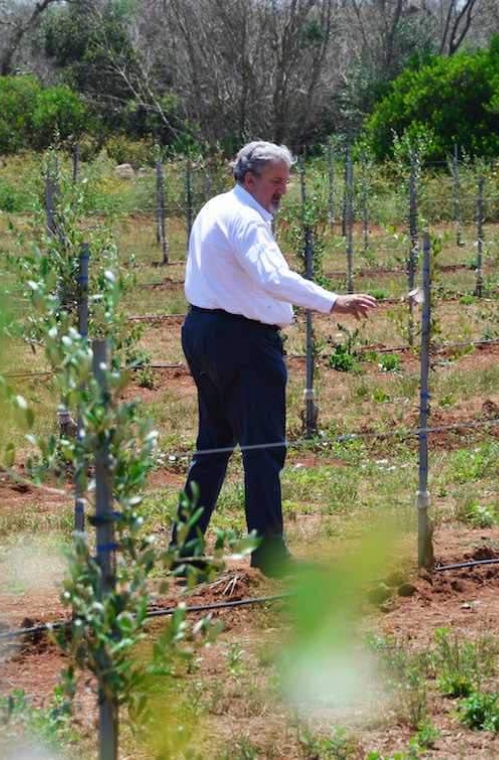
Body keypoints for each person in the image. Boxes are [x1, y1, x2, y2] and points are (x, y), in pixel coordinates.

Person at [172, 141, 377, 577]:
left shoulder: (216, 207)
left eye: (286, 180)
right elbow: (272, 276)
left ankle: (184, 552)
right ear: (250, 180)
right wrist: (331, 301)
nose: (283, 189)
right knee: (263, 449)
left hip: (202, 331)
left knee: (212, 448)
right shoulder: (246, 219)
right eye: (275, 181)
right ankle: (269, 556)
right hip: (242, 342)